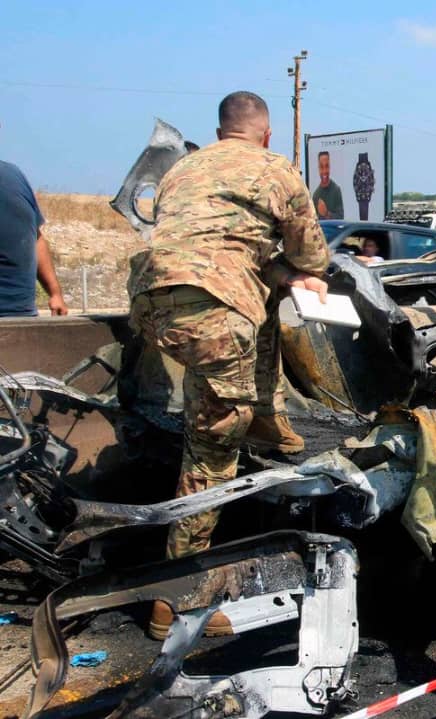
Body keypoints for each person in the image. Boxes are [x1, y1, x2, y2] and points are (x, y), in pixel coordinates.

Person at [126, 91, 330, 640]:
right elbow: (313, 257)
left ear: (220, 132)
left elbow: (215, 246)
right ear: (266, 133)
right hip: (214, 314)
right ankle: (177, 601)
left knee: (246, 320)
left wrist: (275, 271)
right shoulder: (275, 169)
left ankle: (265, 416)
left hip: (151, 301)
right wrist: (297, 272)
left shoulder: (184, 168)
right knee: (210, 460)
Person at [0, 161, 68, 316]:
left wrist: (55, 293)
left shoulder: (13, 175)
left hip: (20, 313)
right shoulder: (13, 174)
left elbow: (35, 238)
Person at [311, 151, 343, 219]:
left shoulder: (336, 190)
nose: (324, 171)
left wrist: (326, 213)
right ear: (318, 168)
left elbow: (340, 217)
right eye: (321, 167)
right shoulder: (316, 195)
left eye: (327, 166)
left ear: (330, 167)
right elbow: (313, 220)